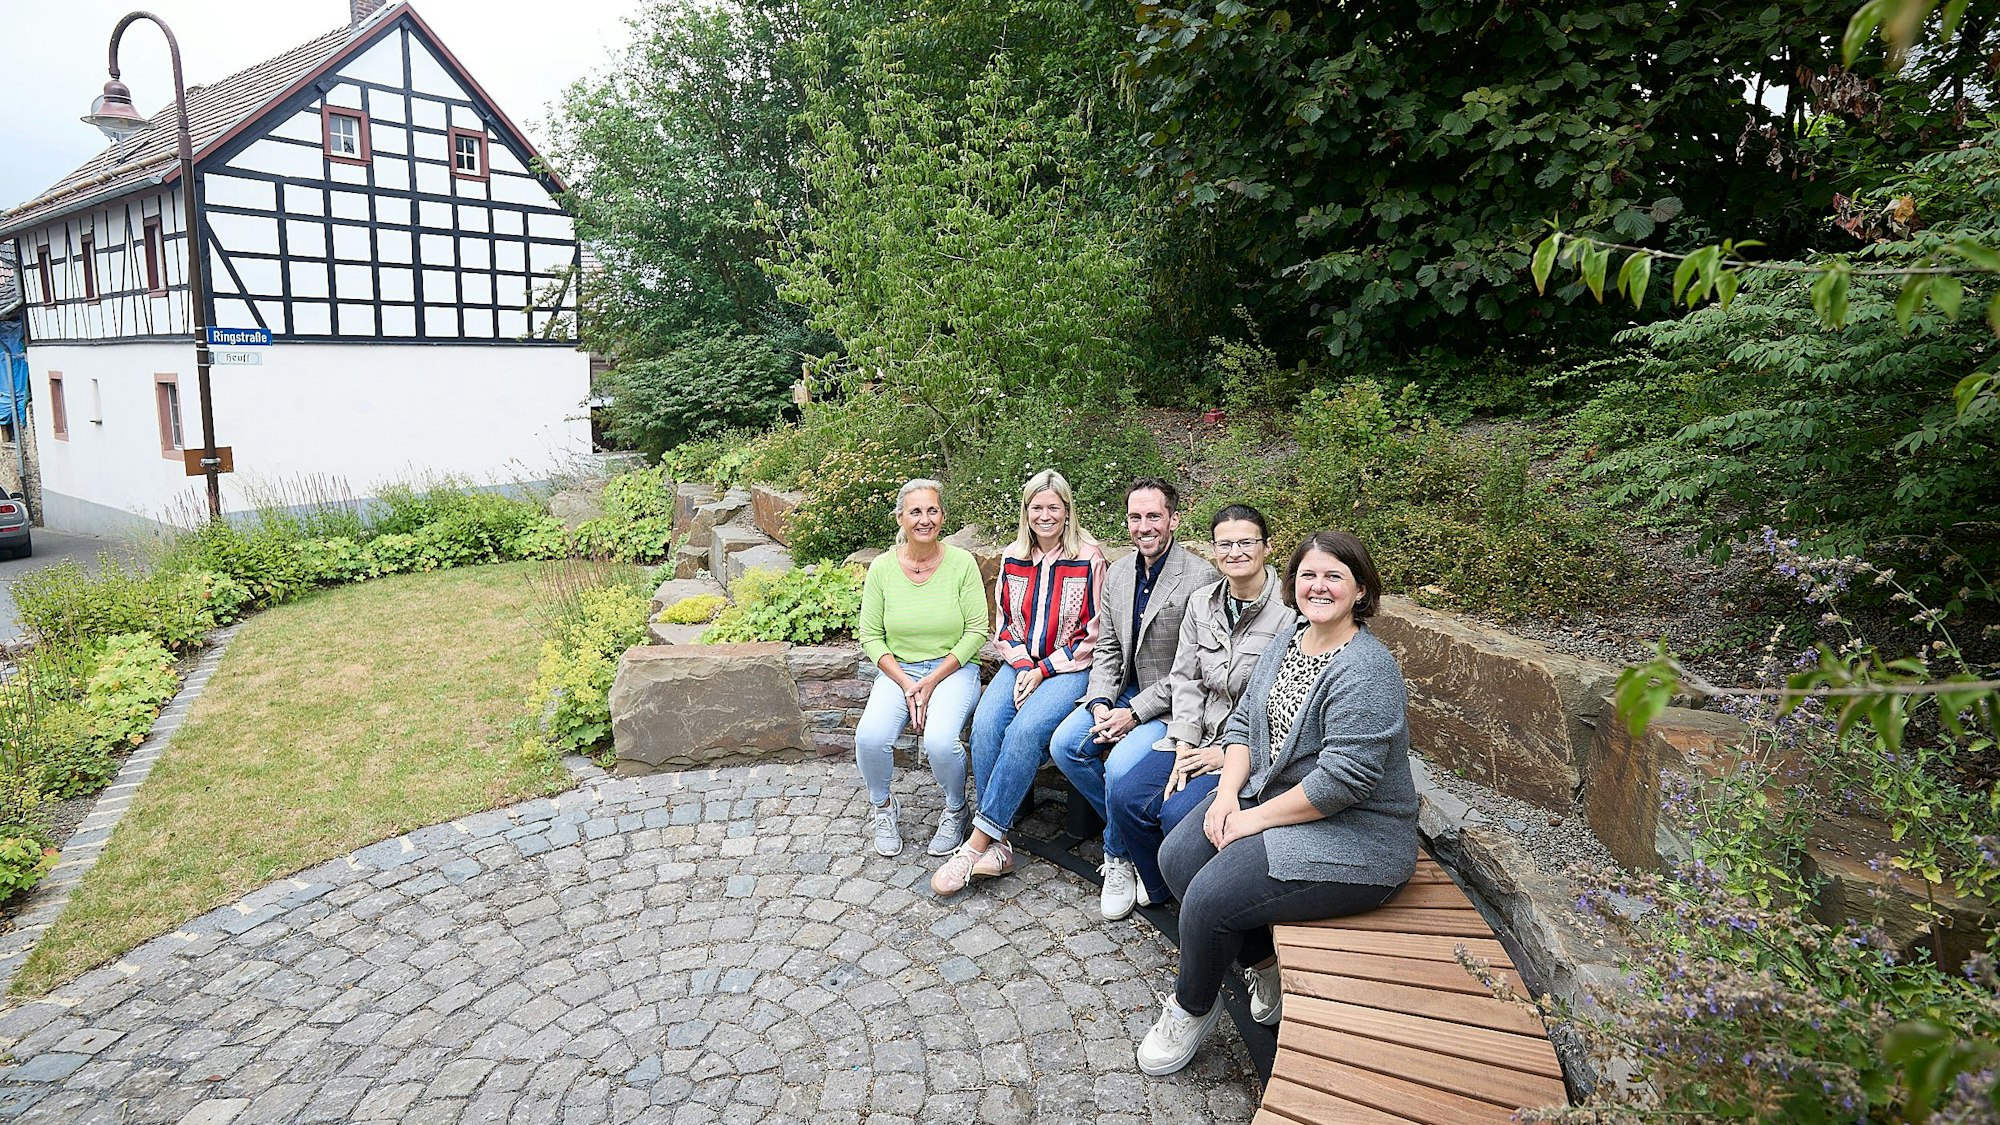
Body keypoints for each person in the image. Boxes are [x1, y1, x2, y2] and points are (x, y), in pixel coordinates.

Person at [1134, 530, 1417, 1077]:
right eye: (1309, 574)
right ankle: (1263, 963)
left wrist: (1247, 822)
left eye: (1334, 575)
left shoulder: (1366, 668)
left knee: (1213, 895)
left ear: (1360, 590)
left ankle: (1192, 1007)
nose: (1318, 586)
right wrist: (1224, 797)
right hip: (1277, 801)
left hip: (1358, 832)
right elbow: (1243, 723)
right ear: (1293, 583)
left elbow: (1344, 781)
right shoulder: (1291, 636)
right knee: (1177, 857)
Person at [1105, 503, 1294, 913]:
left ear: (1266, 547)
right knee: (1126, 796)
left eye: (1246, 542)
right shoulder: (1203, 602)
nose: (1235, 552)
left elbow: (1282, 709)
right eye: (1224, 544)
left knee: (1176, 815)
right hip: (1196, 734)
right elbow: (1186, 678)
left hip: (1244, 750)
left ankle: (1202, 907)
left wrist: (1226, 752)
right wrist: (1184, 742)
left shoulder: (1289, 616)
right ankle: (1161, 890)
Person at [930, 469, 1106, 896]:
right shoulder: (1014, 557)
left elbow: (1096, 632)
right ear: (1026, 512)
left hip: (1069, 668)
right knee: (988, 724)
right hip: (1020, 662)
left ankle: (977, 843)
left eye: (1053, 507)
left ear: (1067, 512)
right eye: (1036, 507)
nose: (1045, 515)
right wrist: (1025, 663)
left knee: (1026, 731)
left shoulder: (1089, 558)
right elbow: (1004, 624)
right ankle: (1002, 844)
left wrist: (1043, 670)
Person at [1049, 478, 1211, 920]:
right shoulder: (1118, 572)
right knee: (1065, 746)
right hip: (1120, 692)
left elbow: (1191, 668)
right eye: (1136, 517)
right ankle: (1136, 842)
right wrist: (1101, 700)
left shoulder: (1200, 578)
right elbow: (1107, 649)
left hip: (1169, 702)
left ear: (1173, 519)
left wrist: (1133, 714)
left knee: (1120, 767)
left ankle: (1118, 855)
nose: (1144, 526)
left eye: (1154, 516)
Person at [854, 478, 990, 858]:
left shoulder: (962, 564)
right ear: (900, 518)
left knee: (939, 741)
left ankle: (955, 809)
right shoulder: (882, 568)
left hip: (952, 671)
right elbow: (870, 635)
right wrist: (907, 682)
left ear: (943, 517)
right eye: (916, 511)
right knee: (869, 737)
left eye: (932, 510)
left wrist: (930, 681)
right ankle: (882, 808)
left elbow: (978, 630)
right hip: (898, 672)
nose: (924, 519)